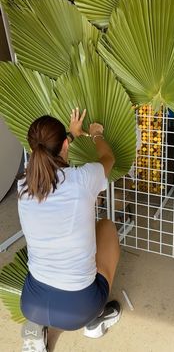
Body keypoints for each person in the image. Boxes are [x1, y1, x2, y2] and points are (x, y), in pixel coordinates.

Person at [18, 108, 121, 352]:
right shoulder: (83, 179)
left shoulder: (24, 184)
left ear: (33, 149)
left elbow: (51, 163)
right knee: (105, 226)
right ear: (65, 144)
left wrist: (70, 136)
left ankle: (38, 333)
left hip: (31, 302)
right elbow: (109, 159)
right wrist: (95, 135)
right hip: (79, 308)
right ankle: (93, 323)